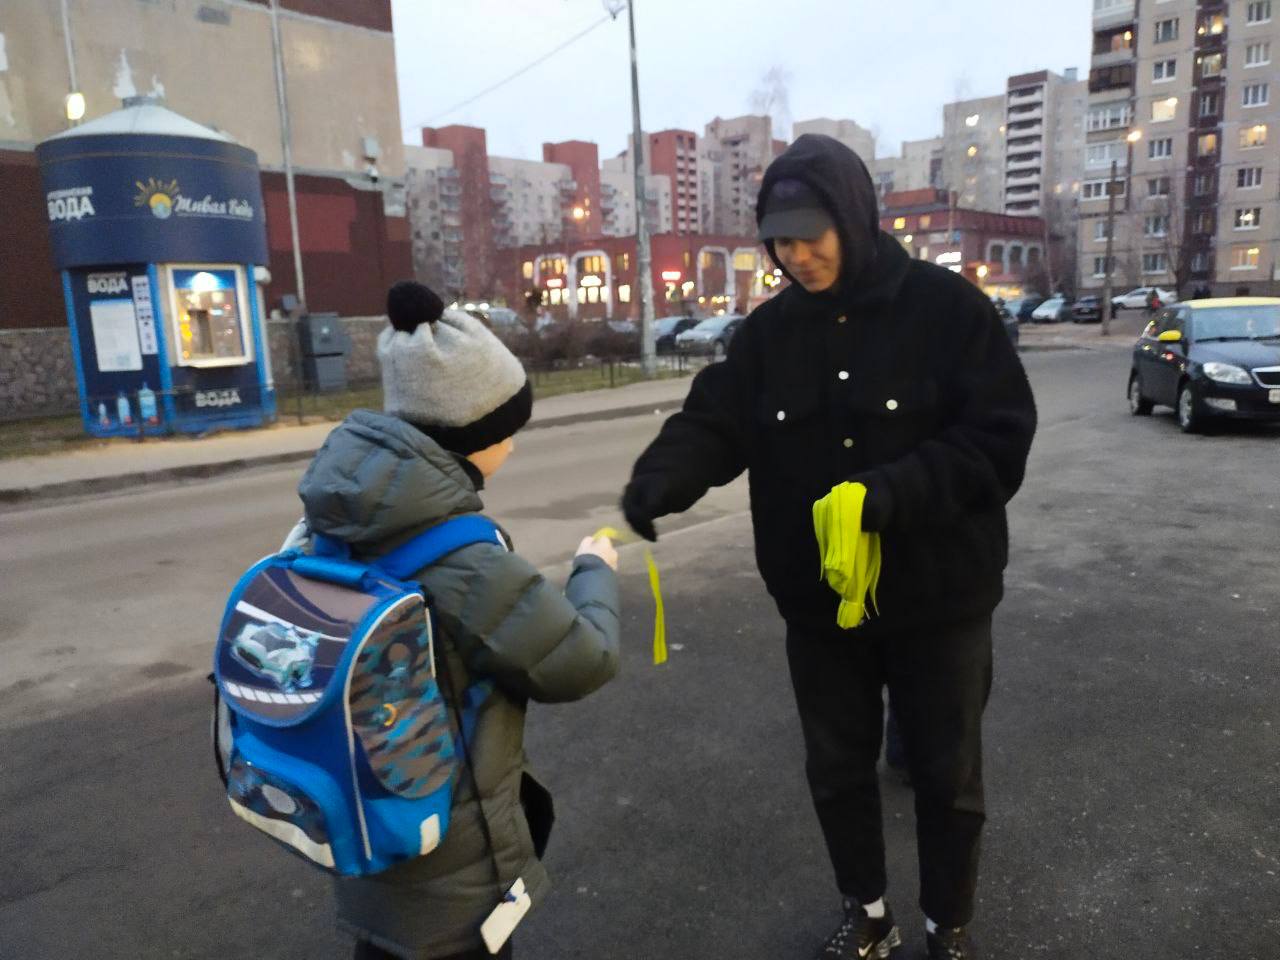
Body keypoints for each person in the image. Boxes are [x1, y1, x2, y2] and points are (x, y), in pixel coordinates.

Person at [620, 135, 1037, 960]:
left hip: (939, 599)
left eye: (812, 235)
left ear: (854, 219)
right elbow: (714, 421)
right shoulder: (769, 335)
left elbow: (998, 441)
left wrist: (893, 493)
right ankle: (868, 913)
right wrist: (660, 479)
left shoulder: (948, 312)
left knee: (946, 775)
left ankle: (945, 924)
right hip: (819, 606)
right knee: (838, 769)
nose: (796, 255)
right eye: (780, 239)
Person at [298, 280, 621, 960]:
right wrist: (594, 573)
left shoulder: (328, 516)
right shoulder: (463, 557)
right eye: (509, 430)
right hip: (446, 848)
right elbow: (581, 659)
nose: (515, 447)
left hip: (357, 820)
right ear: (471, 434)